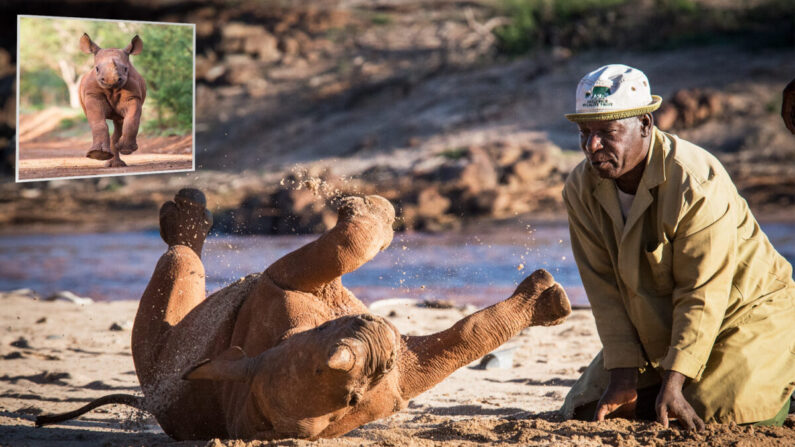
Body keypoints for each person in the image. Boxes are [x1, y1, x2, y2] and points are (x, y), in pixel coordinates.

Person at [557, 64, 795, 430]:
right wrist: (622, 376)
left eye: (607, 132)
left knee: (719, 416)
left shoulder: (695, 181)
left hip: (744, 313)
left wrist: (674, 380)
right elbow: (603, 290)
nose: (592, 146)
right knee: (586, 410)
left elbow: (703, 291)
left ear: (646, 126)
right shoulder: (581, 187)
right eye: (584, 132)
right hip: (661, 324)